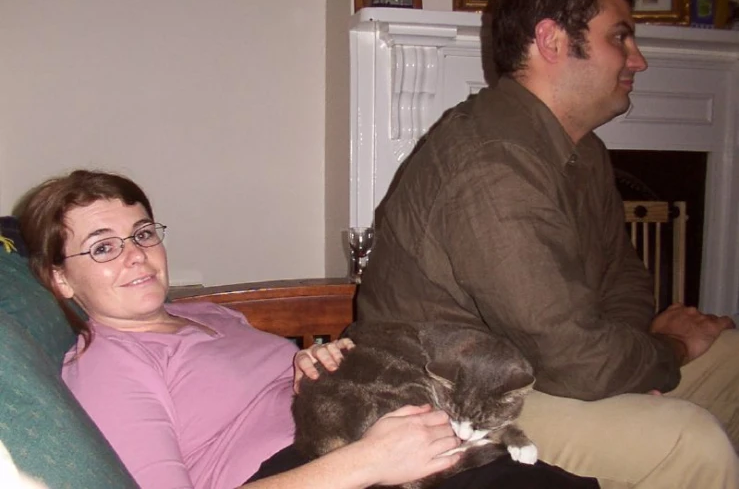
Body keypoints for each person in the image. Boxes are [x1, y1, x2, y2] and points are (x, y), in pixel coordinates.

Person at [356, 0, 739, 489]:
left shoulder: (585, 151)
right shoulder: (490, 163)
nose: (638, 60)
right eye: (620, 37)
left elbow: (621, 275)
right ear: (553, 41)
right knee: (689, 443)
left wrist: (630, 367)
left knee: (732, 357)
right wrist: (667, 349)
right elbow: (573, 359)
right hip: (450, 403)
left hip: (542, 370)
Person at [17, 169, 596, 489]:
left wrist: (308, 370)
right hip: (330, 470)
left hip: (389, 424)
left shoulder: (207, 314)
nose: (137, 256)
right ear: (61, 281)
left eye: (143, 233)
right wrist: (367, 462)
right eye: (102, 248)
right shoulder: (110, 368)